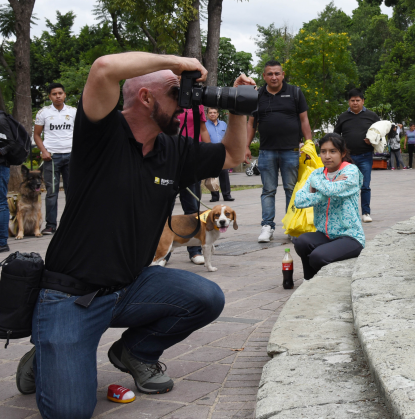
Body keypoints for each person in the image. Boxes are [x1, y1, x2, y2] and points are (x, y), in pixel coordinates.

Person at [14, 52, 253, 418]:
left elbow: (234, 154)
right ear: (146, 98)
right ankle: (47, 348)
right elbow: (104, 69)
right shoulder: (102, 132)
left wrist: (236, 105)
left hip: (129, 286)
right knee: (70, 411)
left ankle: (135, 352)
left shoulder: (172, 149)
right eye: (177, 93)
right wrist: (178, 63)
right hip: (71, 295)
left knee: (205, 297)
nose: (186, 104)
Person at [247, 60, 312, 243]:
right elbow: (251, 124)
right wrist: (246, 146)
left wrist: (309, 145)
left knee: (291, 190)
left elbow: (304, 120)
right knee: (268, 190)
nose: (274, 77)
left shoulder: (295, 92)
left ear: (283, 75)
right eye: (270, 74)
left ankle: (292, 227)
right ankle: (267, 227)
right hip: (266, 151)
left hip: (291, 150)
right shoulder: (257, 95)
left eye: (277, 73)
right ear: (264, 76)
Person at [293, 133, 364, 279]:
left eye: (333, 151)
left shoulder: (351, 172)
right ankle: (310, 281)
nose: (327, 156)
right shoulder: (317, 173)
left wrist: (319, 186)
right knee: (301, 242)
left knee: (317, 256)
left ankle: (321, 283)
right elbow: (299, 201)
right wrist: (328, 187)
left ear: (342, 153)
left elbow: (333, 190)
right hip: (325, 234)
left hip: (350, 236)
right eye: (323, 151)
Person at [33, 83, 76, 235]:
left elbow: (80, 133)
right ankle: (51, 225)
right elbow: (36, 135)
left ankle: (73, 224)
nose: (57, 96)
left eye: (60, 93)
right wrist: (44, 151)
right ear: (50, 96)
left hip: (71, 156)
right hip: (51, 157)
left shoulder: (73, 112)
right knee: (51, 192)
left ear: (64, 95)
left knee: (73, 191)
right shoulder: (43, 112)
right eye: (54, 94)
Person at [334, 88, 380, 223]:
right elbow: (336, 136)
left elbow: (382, 133)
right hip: (348, 158)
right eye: (352, 100)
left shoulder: (371, 116)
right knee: (348, 185)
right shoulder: (342, 117)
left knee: (365, 185)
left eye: (358, 100)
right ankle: (350, 213)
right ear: (348, 102)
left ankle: (366, 212)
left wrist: (373, 140)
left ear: (363, 101)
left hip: (365, 155)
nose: (355, 103)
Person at [176, 103, 210, 264]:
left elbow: (203, 130)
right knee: (162, 208)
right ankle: (160, 251)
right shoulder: (167, 97)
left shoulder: (197, 104)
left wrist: (210, 156)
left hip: (191, 158)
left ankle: (195, 250)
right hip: (168, 156)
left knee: (192, 208)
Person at [205, 107, 234, 202]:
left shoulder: (223, 124)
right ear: (207, 114)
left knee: (224, 174)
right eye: (210, 113)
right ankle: (214, 196)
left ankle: (227, 195)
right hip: (210, 152)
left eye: (214, 112)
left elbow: (228, 137)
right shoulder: (204, 125)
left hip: (222, 152)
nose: (212, 114)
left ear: (217, 114)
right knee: (212, 174)